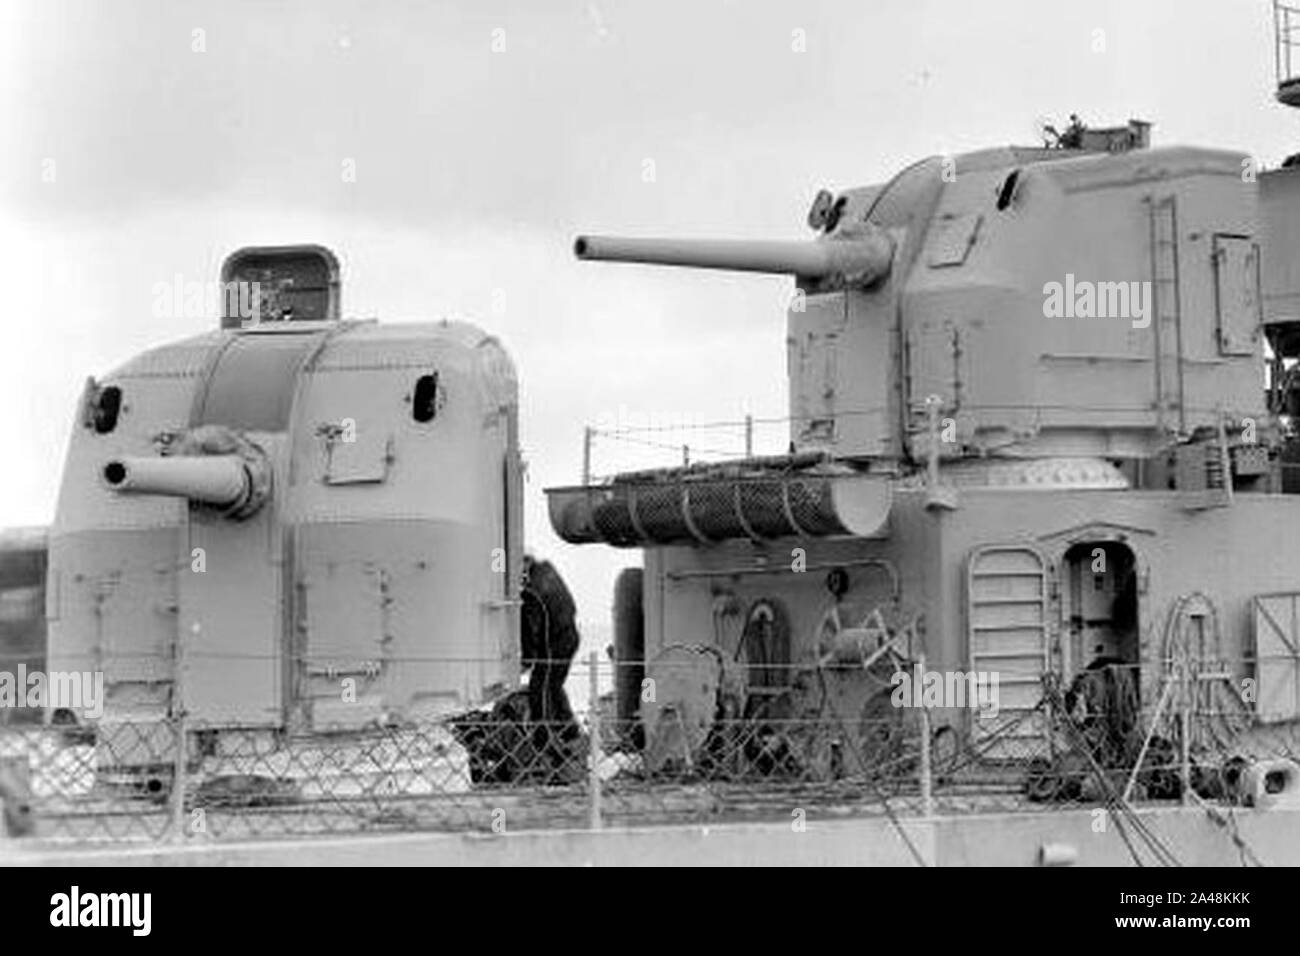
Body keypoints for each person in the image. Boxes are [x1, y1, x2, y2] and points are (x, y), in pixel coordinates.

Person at [520, 555, 581, 746]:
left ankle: (542, 739)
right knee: (552, 686)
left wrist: (527, 659)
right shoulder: (547, 571)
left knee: (539, 689)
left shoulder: (533, 592)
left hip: (555, 643)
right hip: (569, 636)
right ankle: (569, 730)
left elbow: (531, 629)